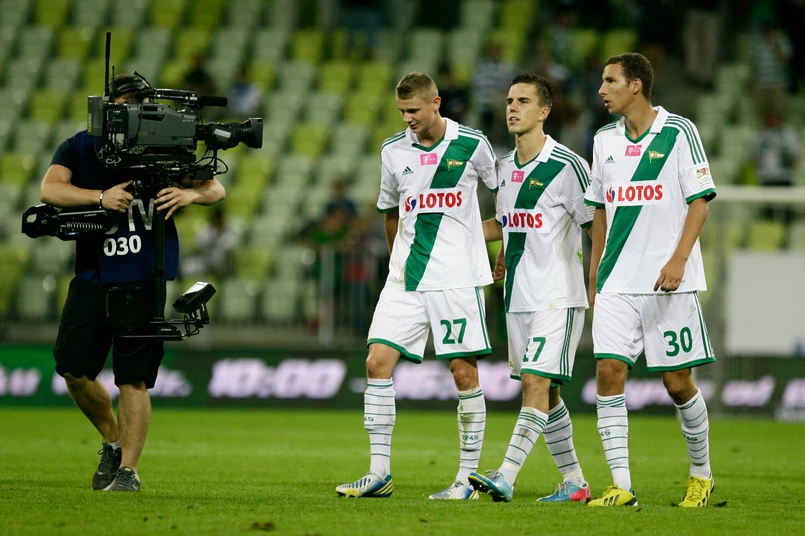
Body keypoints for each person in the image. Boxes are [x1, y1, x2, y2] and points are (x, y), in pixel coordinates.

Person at [39, 74, 226, 492]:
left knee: (133, 378)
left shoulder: (165, 146)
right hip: (92, 274)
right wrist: (99, 197)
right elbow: (50, 189)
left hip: (143, 276)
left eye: (138, 103)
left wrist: (191, 195)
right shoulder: (80, 145)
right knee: (73, 370)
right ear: (107, 107)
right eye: (124, 103)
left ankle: (128, 470)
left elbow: (215, 187)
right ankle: (113, 439)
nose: (131, 110)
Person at [335, 72, 498, 500]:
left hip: (457, 278)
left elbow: (505, 196)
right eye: (402, 111)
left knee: (463, 372)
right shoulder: (393, 150)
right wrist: (397, 261)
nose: (407, 118)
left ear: (435, 103)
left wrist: (495, 248)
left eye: (413, 110)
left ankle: (466, 480)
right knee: (376, 363)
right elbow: (390, 211)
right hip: (405, 279)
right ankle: (379, 473)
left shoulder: (472, 144)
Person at [584, 53, 717, 507]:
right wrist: (595, 272)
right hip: (617, 281)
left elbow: (700, 202)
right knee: (608, 372)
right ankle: (622, 485)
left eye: (610, 81)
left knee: (678, 384)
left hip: (667, 281)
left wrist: (679, 260)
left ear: (636, 85)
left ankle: (701, 474)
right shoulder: (603, 140)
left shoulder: (679, 131)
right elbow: (599, 210)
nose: (601, 90)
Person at [467, 73, 593, 503]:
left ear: (544, 111)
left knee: (535, 382)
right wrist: (450, 228)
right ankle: (575, 482)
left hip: (558, 295)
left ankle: (506, 475)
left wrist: (597, 278)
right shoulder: (503, 169)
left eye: (522, 101)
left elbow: (596, 223)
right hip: (518, 296)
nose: (512, 108)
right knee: (548, 392)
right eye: (509, 101)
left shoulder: (568, 166)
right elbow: (505, 223)